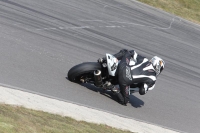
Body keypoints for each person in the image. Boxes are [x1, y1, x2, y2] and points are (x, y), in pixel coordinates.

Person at [98, 49, 165, 106]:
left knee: (125, 52)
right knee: (125, 101)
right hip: (125, 80)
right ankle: (112, 87)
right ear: (158, 68)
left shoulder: (144, 60)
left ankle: (104, 59)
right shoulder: (152, 78)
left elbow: (132, 52)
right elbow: (142, 91)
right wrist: (144, 89)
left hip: (123, 66)